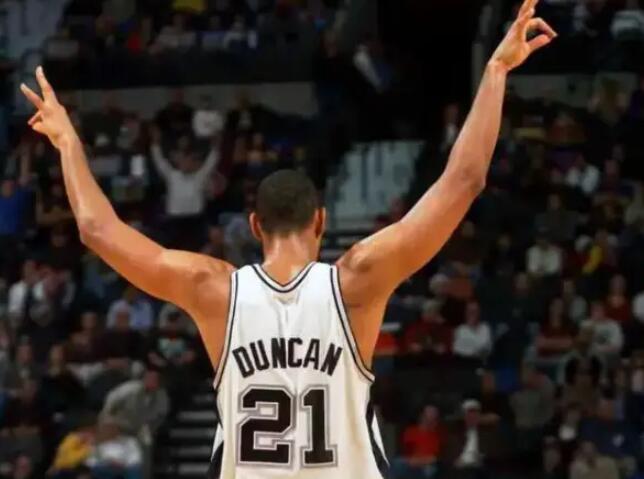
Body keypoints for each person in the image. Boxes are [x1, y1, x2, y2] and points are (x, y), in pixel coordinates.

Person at [20, 2, 556, 475]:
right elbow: (464, 180)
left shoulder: (213, 289)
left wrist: (68, 143)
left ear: (255, 227)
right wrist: (495, 70)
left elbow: (96, 228)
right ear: (320, 221)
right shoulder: (357, 281)